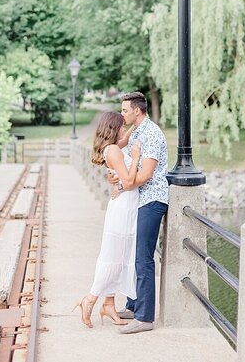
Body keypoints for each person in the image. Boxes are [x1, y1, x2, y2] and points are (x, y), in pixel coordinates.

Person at [72, 111, 141, 328]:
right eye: (121, 125)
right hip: (123, 207)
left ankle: (109, 304)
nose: (124, 128)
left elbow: (126, 139)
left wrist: (139, 119)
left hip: (125, 206)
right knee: (113, 257)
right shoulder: (112, 151)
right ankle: (90, 300)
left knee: (119, 256)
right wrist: (137, 156)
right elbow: (129, 179)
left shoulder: (112, 147)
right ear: (114, 127)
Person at [108, 91, 169, 334]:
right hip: (138, 200)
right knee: (134, 254)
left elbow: (146, 176)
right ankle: (134, 306)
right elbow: (118, 156)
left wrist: (121, 186)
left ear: (137, 110)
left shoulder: (152, 134)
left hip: (152, 201)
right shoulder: (137, 131)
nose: (122, 114)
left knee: (144, 258)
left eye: (124, 110)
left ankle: (145, 318)